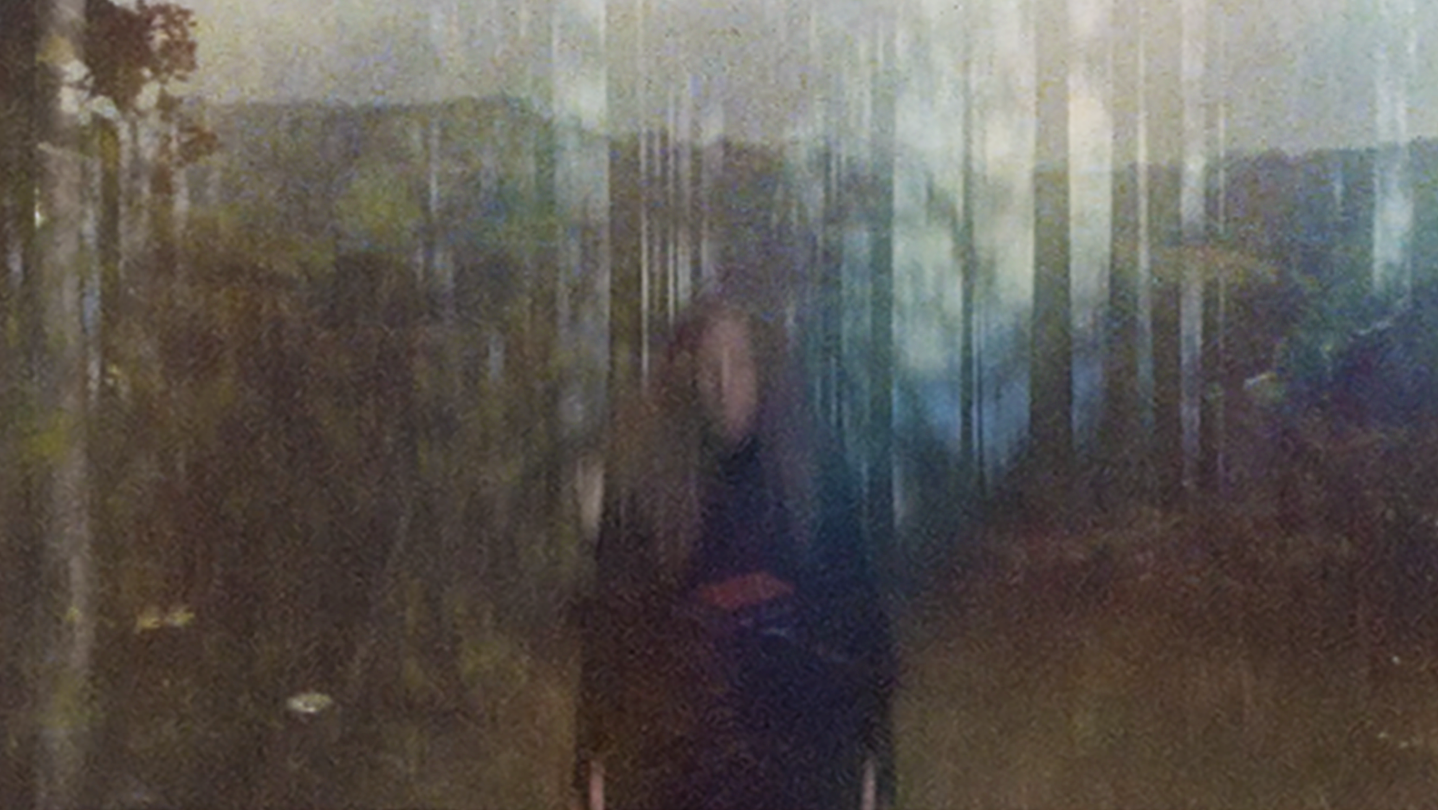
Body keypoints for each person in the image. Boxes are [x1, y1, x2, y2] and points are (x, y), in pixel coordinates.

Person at [573, 293, 895, 810]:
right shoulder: (646, 493)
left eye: (740, 364)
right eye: (709, 367)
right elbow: (612, 636)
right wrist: (593, 757)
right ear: (688, 378)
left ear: (764, 374)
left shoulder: (814, 480)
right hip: (683, 770)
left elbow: (859, 628)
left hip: (797, 761)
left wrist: (874, 757)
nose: (724, 384)